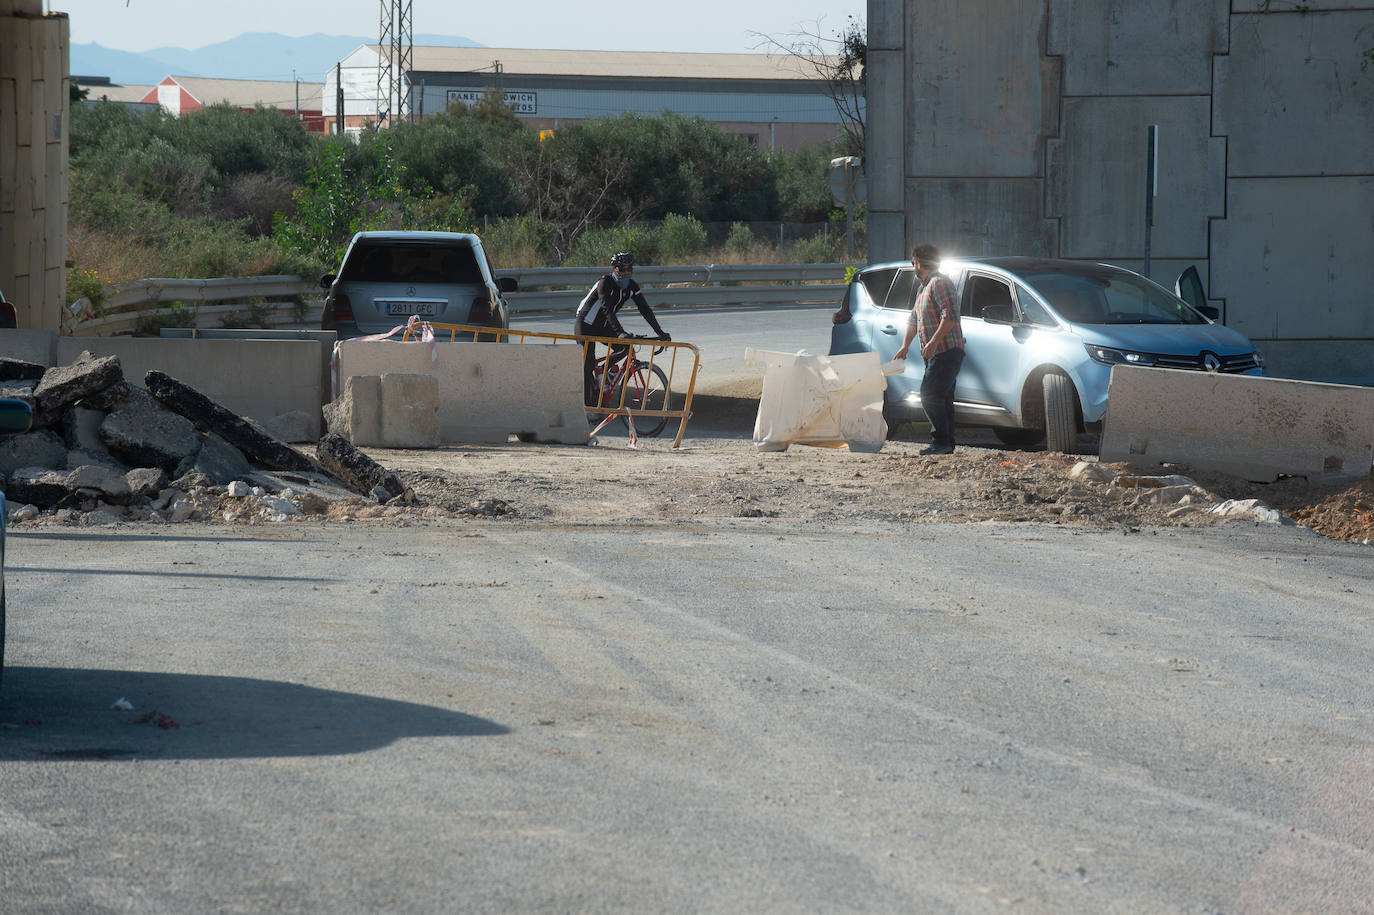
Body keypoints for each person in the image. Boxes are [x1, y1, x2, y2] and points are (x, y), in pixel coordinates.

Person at [893, 243, 965, 455]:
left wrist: (933, 341)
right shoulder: (923, 288)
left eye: (913, 263)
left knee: (929, 394)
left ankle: (940, 442)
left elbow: (950, 316)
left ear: (919, 263)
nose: (913, 267)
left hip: (946, 351)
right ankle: (946, 444)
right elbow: (914, 319)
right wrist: (905, 345)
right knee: (942, 397)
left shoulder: (940, 283)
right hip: (935, 353)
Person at [573, 252, 670, 405]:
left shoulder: (631, 286)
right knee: (587, 365)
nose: (626, 273)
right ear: (613, 269)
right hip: (585, 324)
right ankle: (588, 408)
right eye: (622, 270)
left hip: (604, 325)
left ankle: (604, 373)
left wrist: (660, 333)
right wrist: (620, 333)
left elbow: (645, 310)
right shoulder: (604, 283)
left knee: (626, 347)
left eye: (629, 269)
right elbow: (608, 310)